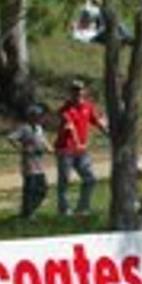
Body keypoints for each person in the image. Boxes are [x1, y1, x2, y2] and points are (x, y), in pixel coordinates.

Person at [54, 79, 108, 217]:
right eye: (74, 90)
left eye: (80, 90)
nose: (77, 93)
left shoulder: (88, 107)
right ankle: (64, 210)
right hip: (65, 149)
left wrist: (110, 135)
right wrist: (78, 144)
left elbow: (97, 122)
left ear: (84, 91)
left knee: (90, 179)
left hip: (81, 151)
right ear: (70, 93)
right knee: (64, 181)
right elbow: (70, 128)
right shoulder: (65, 109)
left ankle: (82, 208)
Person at [8, 104, 51, 219]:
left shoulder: (39, 129)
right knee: (30, 190)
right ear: (31, 117)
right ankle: (28, 213)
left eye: (40, 116)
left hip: (39, 165)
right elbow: (11, 138)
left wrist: (49, 148)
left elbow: (44, 141)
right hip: (29, 165)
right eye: (37, 116)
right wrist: (22, 149)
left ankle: (30, 209)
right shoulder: (24, 128)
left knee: (43, 189)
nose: (39, 118)